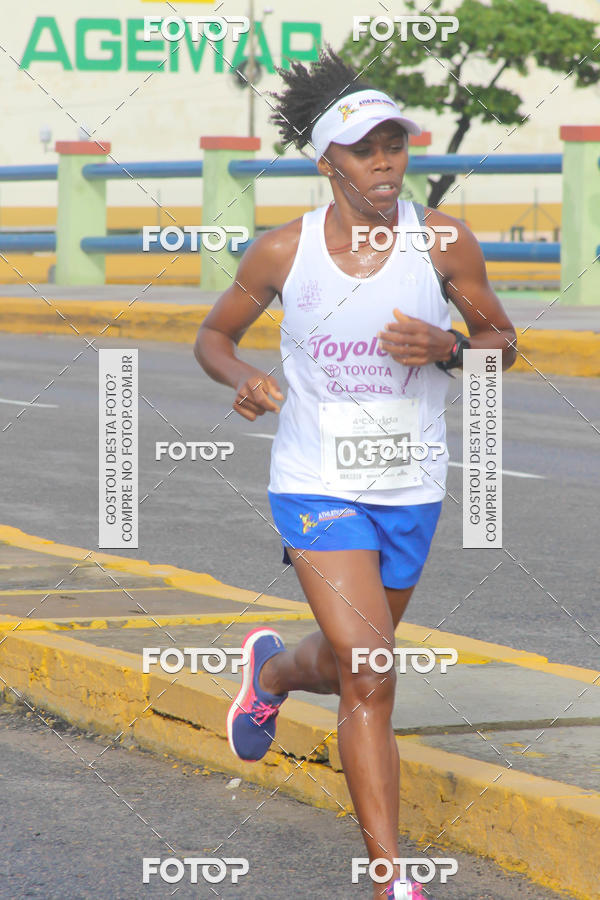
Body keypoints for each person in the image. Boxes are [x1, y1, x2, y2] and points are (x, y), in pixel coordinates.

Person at [194, 45, 517, 900]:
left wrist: (450, 347)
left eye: (396, 144)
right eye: (367, 148)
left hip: (412, 485)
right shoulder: (281, 253)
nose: (386, 162)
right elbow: (212, 337)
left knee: (348, 662)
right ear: (328, 159)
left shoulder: (444, 243)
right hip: (315, 483)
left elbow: (504, 344)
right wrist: (247, 381)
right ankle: (390, 881)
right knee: (372, 672)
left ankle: (268, 674)